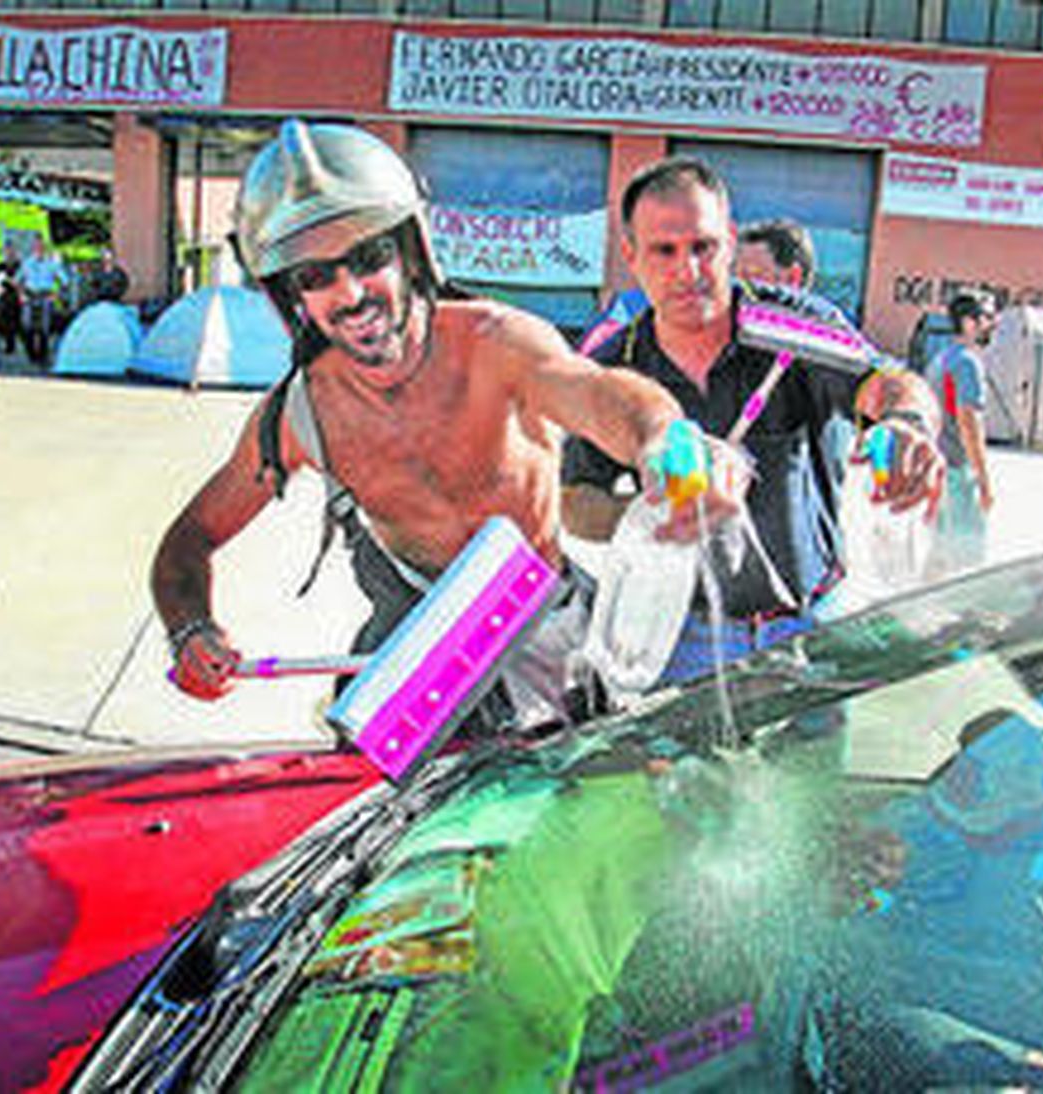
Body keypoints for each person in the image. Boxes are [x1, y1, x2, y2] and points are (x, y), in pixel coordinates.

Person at [151, 120, 745, 732]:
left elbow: (600, 395)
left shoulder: (499, 345)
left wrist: (662, 440)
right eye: (315, 276)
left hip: (552, 649)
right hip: (416, 658)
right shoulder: (301, 415)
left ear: (410, 252)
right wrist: (190, 627)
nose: (350, 293)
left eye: (368, 256)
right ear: (289, 295)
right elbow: (189, 539)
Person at [561, 156, 944, 685]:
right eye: (664, 251)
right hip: (682, 637)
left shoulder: (795, 327)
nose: (687, 271)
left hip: (810, 627)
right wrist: (647, 511)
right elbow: (575, 502)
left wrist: (909, 427)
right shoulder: (613, 368)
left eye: (704, 247)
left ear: (731, 241)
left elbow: (889, 382)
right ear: (631, 255)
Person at [924, 289, 997, 578]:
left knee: (939, 553)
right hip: (957, 470)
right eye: (987, 317)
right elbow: (969, 422)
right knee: (966, 563)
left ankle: (916, 610)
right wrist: (983, 480)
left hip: (938, 468)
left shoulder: (940, 359)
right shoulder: (967, 363)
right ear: (969, 322)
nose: (992, 323)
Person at [16, 236, 66, 367]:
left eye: (41, 246)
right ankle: (31, 354)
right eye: (36, 246)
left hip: (45, 295)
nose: (39, 249)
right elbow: (18, 281)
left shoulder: (52, 263)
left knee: (44, 328)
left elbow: (64, 280)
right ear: (33, 248)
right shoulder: (27, 263)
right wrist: (21, 294)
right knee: (26, 326)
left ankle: (43, 356)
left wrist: (56, 294)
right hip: (30, 295)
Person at [0, 241, 24, 360]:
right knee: (4, 319)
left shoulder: (19, 265)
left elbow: (21, 280)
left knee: (16, 320)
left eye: (11, 251)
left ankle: (15, 344)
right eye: (7, 251)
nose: (9, 253)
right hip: (4, 295)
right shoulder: (1, 266)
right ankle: (8, 343)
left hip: (16, 295)